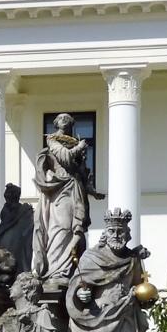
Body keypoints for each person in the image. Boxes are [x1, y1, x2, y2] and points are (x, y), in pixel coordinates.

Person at [32, 115, 104, 283]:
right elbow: (65, 157)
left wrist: (92, 191)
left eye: (67, 118)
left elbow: (81, 171)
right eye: (61, 118)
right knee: (61, 228)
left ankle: (70, 269)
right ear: (56, 123)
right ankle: (56, 271)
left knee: (76, 230)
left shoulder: (72, 140)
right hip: (61, 189)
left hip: (76, 188)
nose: (64, 120)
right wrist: (79, 148)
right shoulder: (52, 139)